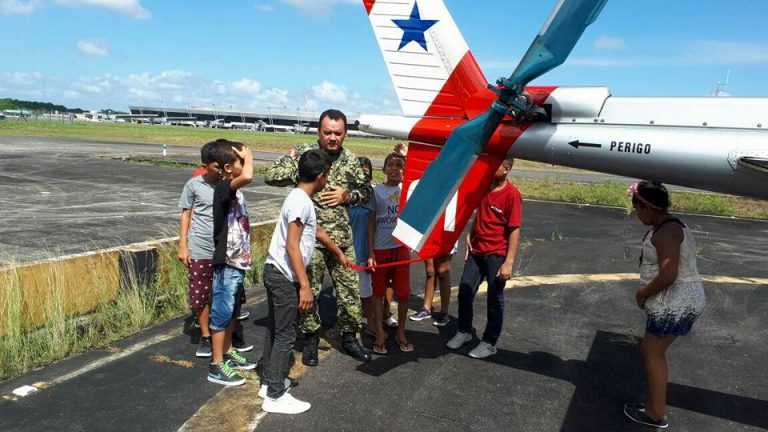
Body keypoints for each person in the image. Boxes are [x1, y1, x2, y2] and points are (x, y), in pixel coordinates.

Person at [265, 109, 372, 365]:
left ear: (345, 134)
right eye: (327, 133)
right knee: (309, 290)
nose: (332, 138)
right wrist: (301, 174)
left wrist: (348, 196)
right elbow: (271, 176)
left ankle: (349, 336)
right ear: (318, 132)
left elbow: (367, 191)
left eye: (337, 133)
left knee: (349, 292)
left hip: (340, 241)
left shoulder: (351, 160)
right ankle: (311, 337)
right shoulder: (305, 154)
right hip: (308, 242)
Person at [260, 149, 351, 414]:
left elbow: (317, 231)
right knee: (286, 334)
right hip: (284, 275)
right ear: (322, 176)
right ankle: (275, 395)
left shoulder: (300, 198)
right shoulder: (301, 202)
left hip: (275, 271)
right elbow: (292, 246)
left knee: (276, 329)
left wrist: (339, 253)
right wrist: (305, 285)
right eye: (328, 176)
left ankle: (269, 382)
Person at [623, 181, 705, 429]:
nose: (636, 214)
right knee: (653, 351)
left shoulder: (667, 232)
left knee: (652, 353)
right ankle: (654, 406)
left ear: (647, 206)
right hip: (680, 299)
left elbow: (668, 275)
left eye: (636, 208)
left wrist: (642, 293)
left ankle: (656, 413)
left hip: (675, 302)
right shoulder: (667, 225)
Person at [446, 157, 521, 359]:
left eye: (494, 165)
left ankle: (489, 342)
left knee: (494, 299)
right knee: (464, 290)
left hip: (496, 254)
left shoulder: (512, 195)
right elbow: (480, 215)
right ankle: (464, 331)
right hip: (477, 251)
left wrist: (509, 262)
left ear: (506, 169)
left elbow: (514, 230)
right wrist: (471, 233)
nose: (489, 168)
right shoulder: (485, 188)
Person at [207, 140, 257, 386]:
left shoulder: (233, 189)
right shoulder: (222, 188)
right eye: (238, 161)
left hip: (237, 261)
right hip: (226, 261)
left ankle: (226, 353)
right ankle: (216, 365)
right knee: (221, 312)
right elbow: (247, 175)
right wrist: (249, 157)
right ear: (228, 168)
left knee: (231, 311)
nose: (244, 164)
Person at [367, 152, 414, 353]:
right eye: (391, 165)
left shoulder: (408, 191)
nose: (395, 169)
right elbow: (371, 223)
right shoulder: (376, 191)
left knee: (403, 293)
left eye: (399, 165)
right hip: (381, 249)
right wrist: (371, 252)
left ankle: (401, 331)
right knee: (378, 293)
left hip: (401, 249)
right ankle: (379, 331)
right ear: (384, 169)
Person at [178, 141, 220, 357]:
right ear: (205, 165)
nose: (221, 169)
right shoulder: (193, 185)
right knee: (199, 294)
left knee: (226, 294)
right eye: (216, 165)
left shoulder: (229, 183)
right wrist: (183, 245)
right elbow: (186, 214)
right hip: (200, 247)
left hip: (224, 249)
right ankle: (205, 336)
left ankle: (226, 334)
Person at [348, 156, 375, 331]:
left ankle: (370, 322)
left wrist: (371, 253)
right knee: (346, 292)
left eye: (366, 172)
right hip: (348, 250)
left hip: (365, 251)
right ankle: (347, 322)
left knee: (367, 291)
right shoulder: (345, 194)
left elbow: (374, 225)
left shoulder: (372, 194)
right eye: (360, 171)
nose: (363, 175)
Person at [410, 253, 454, 327]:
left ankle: (444, 312)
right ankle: (426, 309)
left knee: (443, 272)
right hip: (429, 241)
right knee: (430, 271)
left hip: (446, 241)